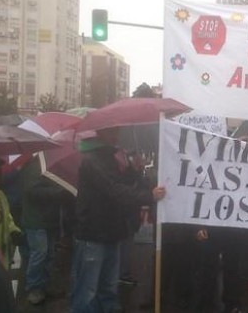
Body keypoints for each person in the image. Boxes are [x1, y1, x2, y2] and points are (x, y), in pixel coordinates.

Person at [70, 127, 166, 313]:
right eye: (111, 132)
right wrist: (149, 196)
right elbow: (114, 189)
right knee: (87, 289)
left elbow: (125, 183)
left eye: (117, 132)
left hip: (112, 231)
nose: (116, 136)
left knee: (109, 285)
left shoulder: (112, 158)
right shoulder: (92, 160)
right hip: (93, 233)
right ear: (101, 134)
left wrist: (136, 171)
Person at [20, 158, 74, 305]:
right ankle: (34, 288)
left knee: (49, 254)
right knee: (40, 254)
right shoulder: (34, 165)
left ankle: (45, 286)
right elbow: (31, 190)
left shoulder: (53, 165)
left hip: (51, 219)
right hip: (36, 219)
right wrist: (58, 193)